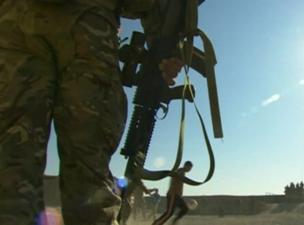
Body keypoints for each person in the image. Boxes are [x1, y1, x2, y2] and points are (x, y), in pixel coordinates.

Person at [0, 1, 183, 225]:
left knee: (10, 165)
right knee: (88, 172)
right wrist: (166, 49)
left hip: (14, 30)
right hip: (87, 30)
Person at [152, 161, 193, 225]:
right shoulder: (180, 172)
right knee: (169, 213)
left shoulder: (182, 172)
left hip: (177, 196)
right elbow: (174, 181)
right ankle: (156, 224)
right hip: (173, 195)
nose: (190, 170)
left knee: (184, 209)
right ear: (186, 166)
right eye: (190, 168)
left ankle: (174, 222)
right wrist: (174, 193)